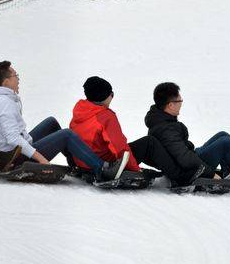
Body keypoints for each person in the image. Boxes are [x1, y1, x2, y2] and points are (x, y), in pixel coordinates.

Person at [0, 61, 129, 181]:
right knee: (67, 135)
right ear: (7, 82)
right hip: (15, 159)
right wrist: (41, 160)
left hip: (16, 150)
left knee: (51, 122)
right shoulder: (4, 104)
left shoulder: (1, 99)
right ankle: (102, 168)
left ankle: (76, 160)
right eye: (16, 75)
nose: (18, 78)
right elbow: (13, 138)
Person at [70, 76, 203, 185]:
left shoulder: (81, 110)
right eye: (111, 94)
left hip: (83, 160)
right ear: (104, 96)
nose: (112, 97)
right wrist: (136, 170)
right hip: (106, 163)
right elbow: (120, 148)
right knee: (149, 143)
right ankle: (180, 176)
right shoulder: (105, 116)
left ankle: (176, 168)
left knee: (146, 144)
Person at [145, 82, 230, 189]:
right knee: (225, 143)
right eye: (180, 101)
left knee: (223, 135)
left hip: (190, 157)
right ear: (170, 105)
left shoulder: (161, 118)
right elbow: (184, 158)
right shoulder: (165, 129)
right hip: (190, 168)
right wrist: (210, 173)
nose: (181, 103)